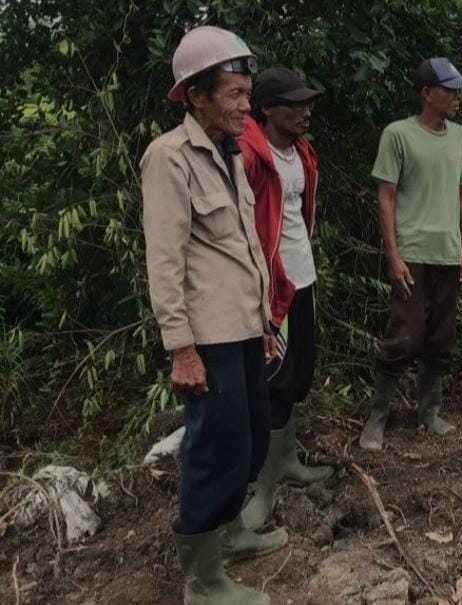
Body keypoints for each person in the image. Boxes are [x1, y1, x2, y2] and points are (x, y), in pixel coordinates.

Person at [141, 25, 289, 605]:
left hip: (244, 329)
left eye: (247, 94)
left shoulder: (229, 154)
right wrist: (181, 348)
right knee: (214, 450)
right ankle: (202, 581)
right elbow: (166, 259)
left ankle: (230, 533)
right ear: (196, 96)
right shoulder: (170, 158)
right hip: (207, 339)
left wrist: (264, 323)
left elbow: (245, 248)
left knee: (250, 440)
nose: (245, 106)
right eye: (232, 94)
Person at [359, 58, 462, 451]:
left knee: (441, 337)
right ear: (427, 93)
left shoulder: (459, 137)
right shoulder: (398, 135)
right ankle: (378, 418)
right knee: (404, 336)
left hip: (448, 252)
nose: (457, 96)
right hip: (412, 251)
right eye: (449, 89)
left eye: (458, 89)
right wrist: (393, 255)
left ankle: (430, 412)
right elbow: (386, 196)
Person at [237, 67, 334, 530]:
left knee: (299, 375)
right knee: (275, 382)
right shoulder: (249, 155)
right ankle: (264, 485)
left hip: (302, 278)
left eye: (308, 103)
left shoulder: (301, 152)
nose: (305, 111)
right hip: (271, 286)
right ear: (268, 108)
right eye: (295, 104)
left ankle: (290, 460)